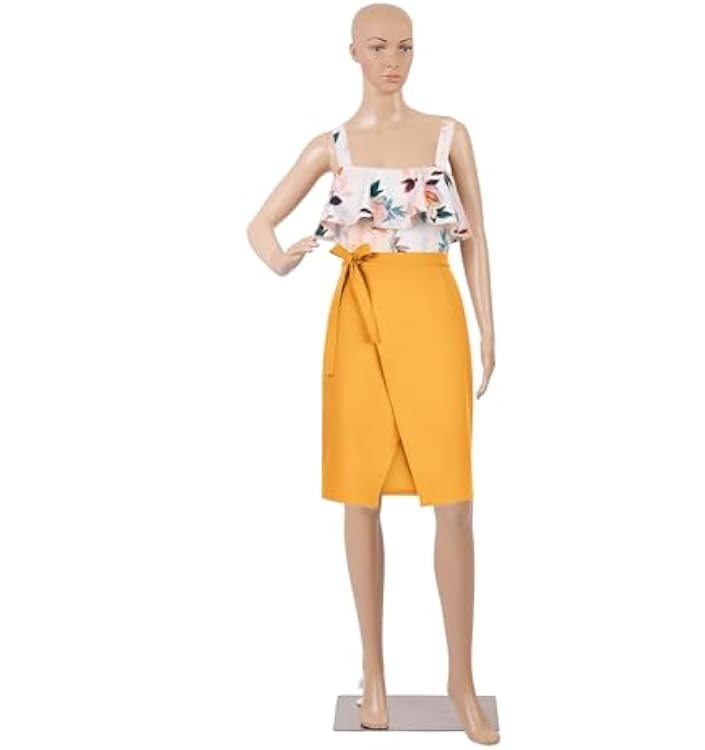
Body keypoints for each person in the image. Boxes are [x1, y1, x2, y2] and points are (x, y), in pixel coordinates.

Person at [246, 3, 497, 745]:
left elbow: (479, 236)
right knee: (360, 497)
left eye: (405, 47)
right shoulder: (332, 145)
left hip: (433, 311)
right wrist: (281, 258)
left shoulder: (449, 134)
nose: (393, 61)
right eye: (379, 47)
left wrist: (489, 327)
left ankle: (460, 679)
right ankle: (375, 673)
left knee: (453, 496)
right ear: (353, 52)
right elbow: (258, 223)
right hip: (358, 316)